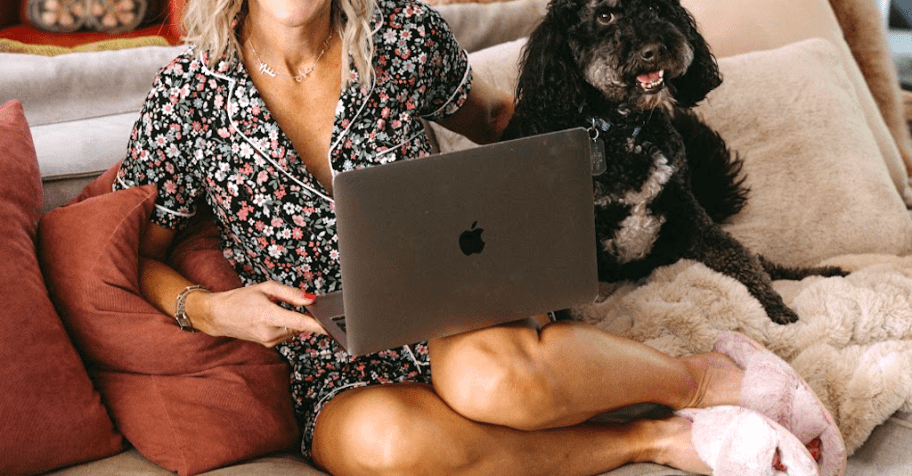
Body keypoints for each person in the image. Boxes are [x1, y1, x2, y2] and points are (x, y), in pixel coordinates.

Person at [115, 0, 843, 475]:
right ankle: (656, 437)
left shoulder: (401, 34)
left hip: (449, 297)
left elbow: (498, 121)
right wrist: (212, 309)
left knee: (491, 382)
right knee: (389, 446)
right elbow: (137, 252)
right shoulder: (187, 95)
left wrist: (556, 216)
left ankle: (704, 379)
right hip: (324, 351)